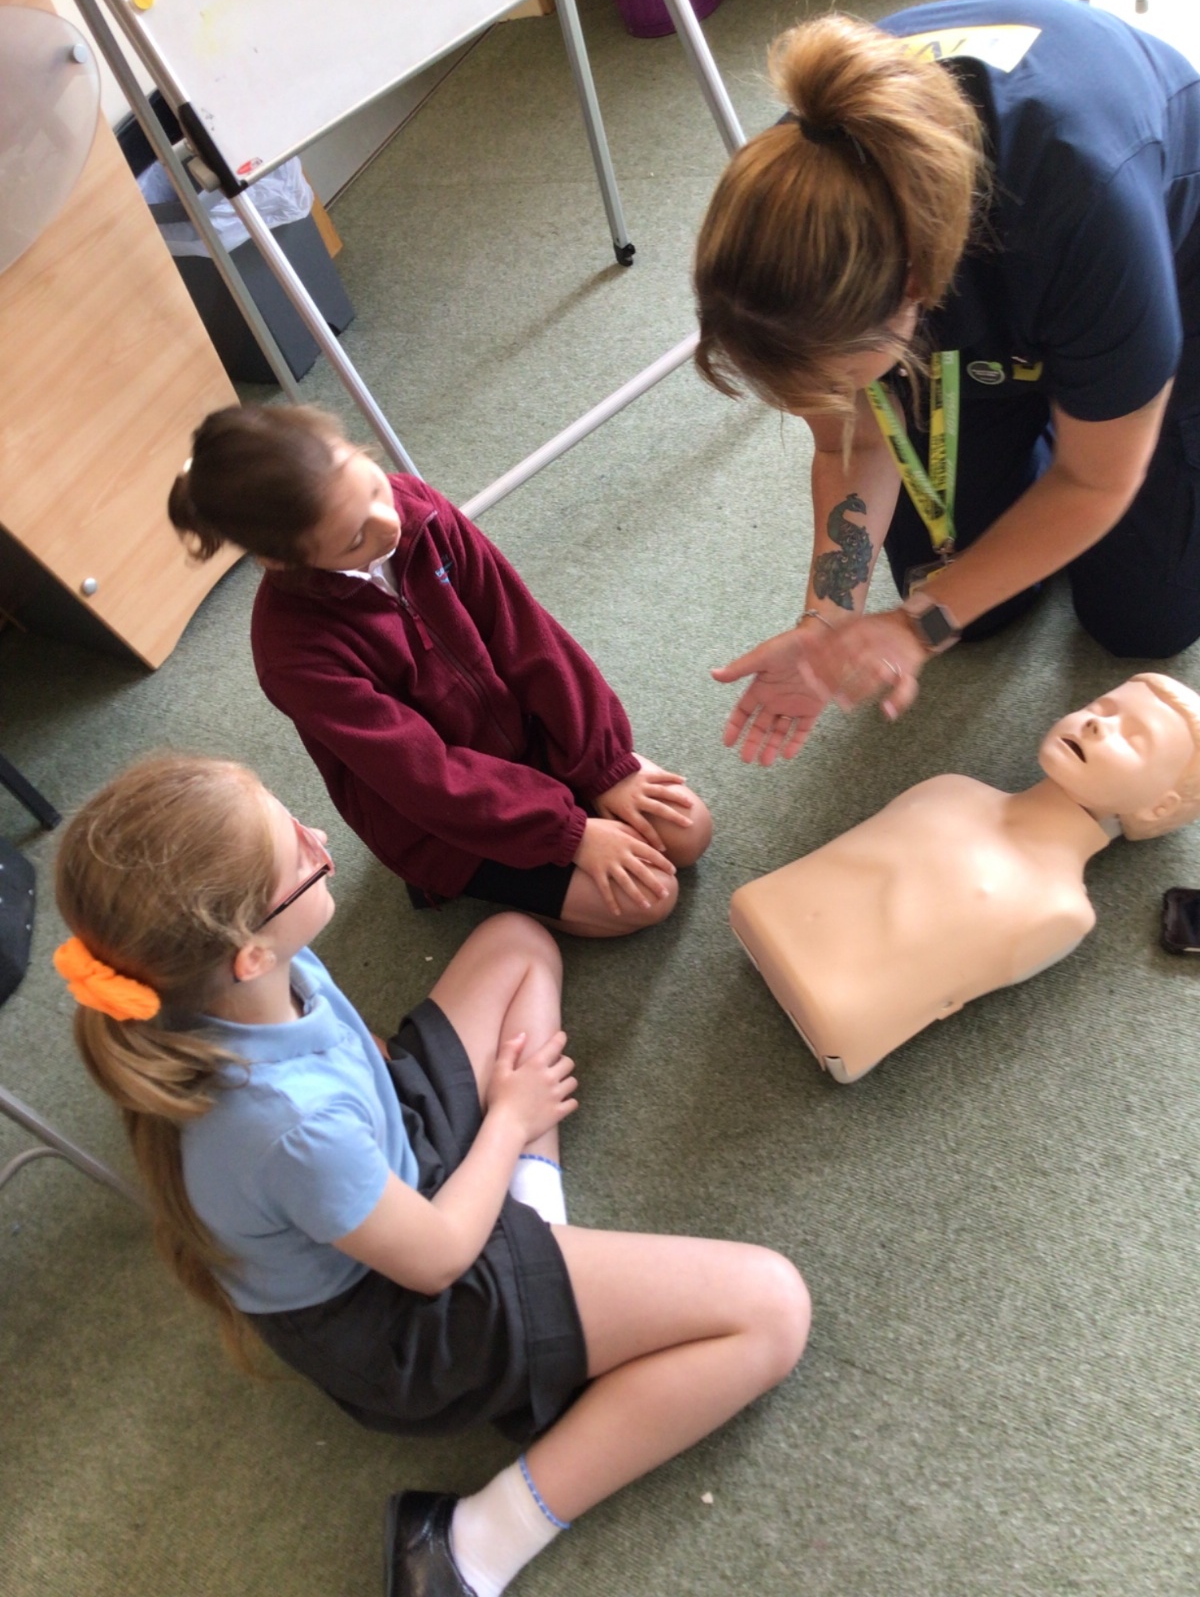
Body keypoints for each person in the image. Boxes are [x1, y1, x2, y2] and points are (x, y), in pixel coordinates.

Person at [54, 755, 808, 1597]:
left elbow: (352, 1071)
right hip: (405, 1312)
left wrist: (462, 1109)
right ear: (248, 953)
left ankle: (539, 1246)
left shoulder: (250, 983)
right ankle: (466, 1546)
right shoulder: (288, 1125)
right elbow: (440, 1258)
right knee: (772, 1310)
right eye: (297, 854)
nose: (318, 838)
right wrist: (511, 1120)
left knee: (517, 944)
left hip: (394, 1163)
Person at [693, 0, 1200, 765]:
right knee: (972, 601)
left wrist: (917, 626)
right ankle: (1052, 404)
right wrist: (829, 619)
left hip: (1161, 247)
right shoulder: (794, 219)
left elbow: (1096, 483)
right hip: (979, 278)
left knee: (1143, 623)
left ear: (913, 292)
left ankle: (1081, 399)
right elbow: (852, 444)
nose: (830, 400)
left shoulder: (1087, 207)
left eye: (843, 378)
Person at [168, 404, 712, 936]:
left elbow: (527, 635)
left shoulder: (417, 508)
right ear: (282, 560)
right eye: (354, 539)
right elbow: (423, 774)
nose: (390, 524)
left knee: (691, 833)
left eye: (374, 485)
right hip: (441, 817)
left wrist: (603, 766)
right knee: (650, 899)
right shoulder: (292, 653)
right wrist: (568, 834)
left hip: (527, 739)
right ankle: (486, 884)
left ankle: (557, 827)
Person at [730, 674, 1200, 1081]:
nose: (1096, 723)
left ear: (1158, 808)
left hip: (834, 1015)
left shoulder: (1060, 910)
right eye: (1100, 708)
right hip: (768, 912)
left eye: (1134, 738)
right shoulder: (951, 788)